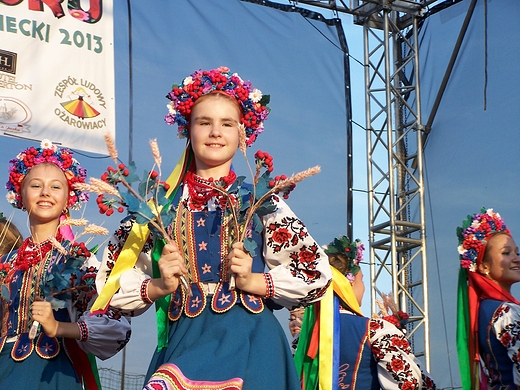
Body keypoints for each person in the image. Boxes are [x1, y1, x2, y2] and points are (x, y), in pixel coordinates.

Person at [94, 66, 332, 389]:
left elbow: (314, 273)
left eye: (227, 124)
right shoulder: (158, 207)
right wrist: (159, 286)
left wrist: (254, 280)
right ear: (187, 130)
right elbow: (109, 281)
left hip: (250, 342)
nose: (215, 132)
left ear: (242, 134)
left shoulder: (262, 203)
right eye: (204, 122)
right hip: (185, 341)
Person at [0, 140, 131, 389]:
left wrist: (58, 326)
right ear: (20, 194)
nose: (45, 192)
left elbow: (113, 323)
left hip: (53, 372)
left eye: (56, 186)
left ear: (69, 198)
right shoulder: (5, 263)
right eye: (36, 185)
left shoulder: (79, 260)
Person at [295, 235, 436, 389]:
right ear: (347, 284)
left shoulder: (305, 335)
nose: (364, 287)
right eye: (361, 280)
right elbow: (411, 384)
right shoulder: (375, 330)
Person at [456, 207, 520, 389]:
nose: (516, 258)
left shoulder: (485, 310)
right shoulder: (505, 313)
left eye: (517, 252)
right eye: (506, 253)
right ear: (484, 267)